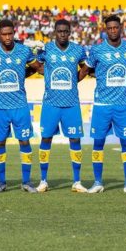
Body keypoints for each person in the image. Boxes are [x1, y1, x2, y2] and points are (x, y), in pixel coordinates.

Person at [81, 14, 126, 194]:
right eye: (110, 28)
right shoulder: (97, 50)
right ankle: (98, 182)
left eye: (116, 27)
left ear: (121, 28)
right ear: (105, 30)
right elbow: (88, 69)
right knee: (98, 143)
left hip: (123, 104)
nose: (113, 31)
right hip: (102, 104)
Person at [0, 19, 42, 193]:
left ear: (14, 33)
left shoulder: (24, 51)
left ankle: (27, 182)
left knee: (24, 141)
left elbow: (38, 68)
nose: (7, 37)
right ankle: (1, 182)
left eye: (10, 34)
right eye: (4, 34)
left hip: (20, 106)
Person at [35, 19, 89, 193]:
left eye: (66, 31)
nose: (63, 34)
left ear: (70, 32)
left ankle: (77, 181)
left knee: (75, 140)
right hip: (50, 103)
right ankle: (43, 180)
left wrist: (75, 79)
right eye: (60, 31)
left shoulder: (78, 50)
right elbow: (36, 65)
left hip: (71, 103)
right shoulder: (46, 50)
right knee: (46, 139)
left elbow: (85, 68)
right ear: (54, 32)